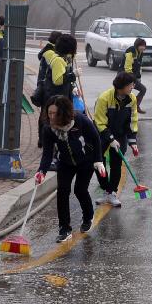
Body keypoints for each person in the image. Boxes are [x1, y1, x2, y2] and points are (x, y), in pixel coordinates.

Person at [35, 95, 106, 243]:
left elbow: (96, 138)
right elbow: (47, 153)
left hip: (86, 161)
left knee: (80, 190)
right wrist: (41, 171)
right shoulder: (49, 129)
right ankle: (64, 228)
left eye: (55, 113)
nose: (52, 117)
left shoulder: (80, 121)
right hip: (65, 162)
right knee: (62, 192)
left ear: (64, 113)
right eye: (49, 113)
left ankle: (88, 216)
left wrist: (98, 160)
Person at [93, 72, 139, 207]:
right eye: (131, 85)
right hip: (102, 133)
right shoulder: (104, 98)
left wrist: (133, 141)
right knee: (98, 162)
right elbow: (100, 122)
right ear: (122, 86)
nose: (133, 87)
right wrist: (110, 138)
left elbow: (132, 120)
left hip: (120, 134)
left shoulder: (132, 99)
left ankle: (111, 192)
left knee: (116, 163)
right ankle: (106, 189)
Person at [35, 30, 63, 147]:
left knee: (44, 113)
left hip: (42, 85)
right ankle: (43, 139)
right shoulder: (51, 53)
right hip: (47, 88)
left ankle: (41, 139)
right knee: (47, 114)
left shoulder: (46, 50)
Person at [123, 38, 148, 114]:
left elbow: (138, 67)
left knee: (143, 89)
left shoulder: (140, 53)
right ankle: (123, 110)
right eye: (141, 45)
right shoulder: (131, 51)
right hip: (125, 76)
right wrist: (132, 81)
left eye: (144, 46)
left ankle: (136, 106)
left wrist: (138, 78)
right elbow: (127, 68)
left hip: (133, 77)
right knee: (126, 93)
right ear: (137, 45)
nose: (143, 47)